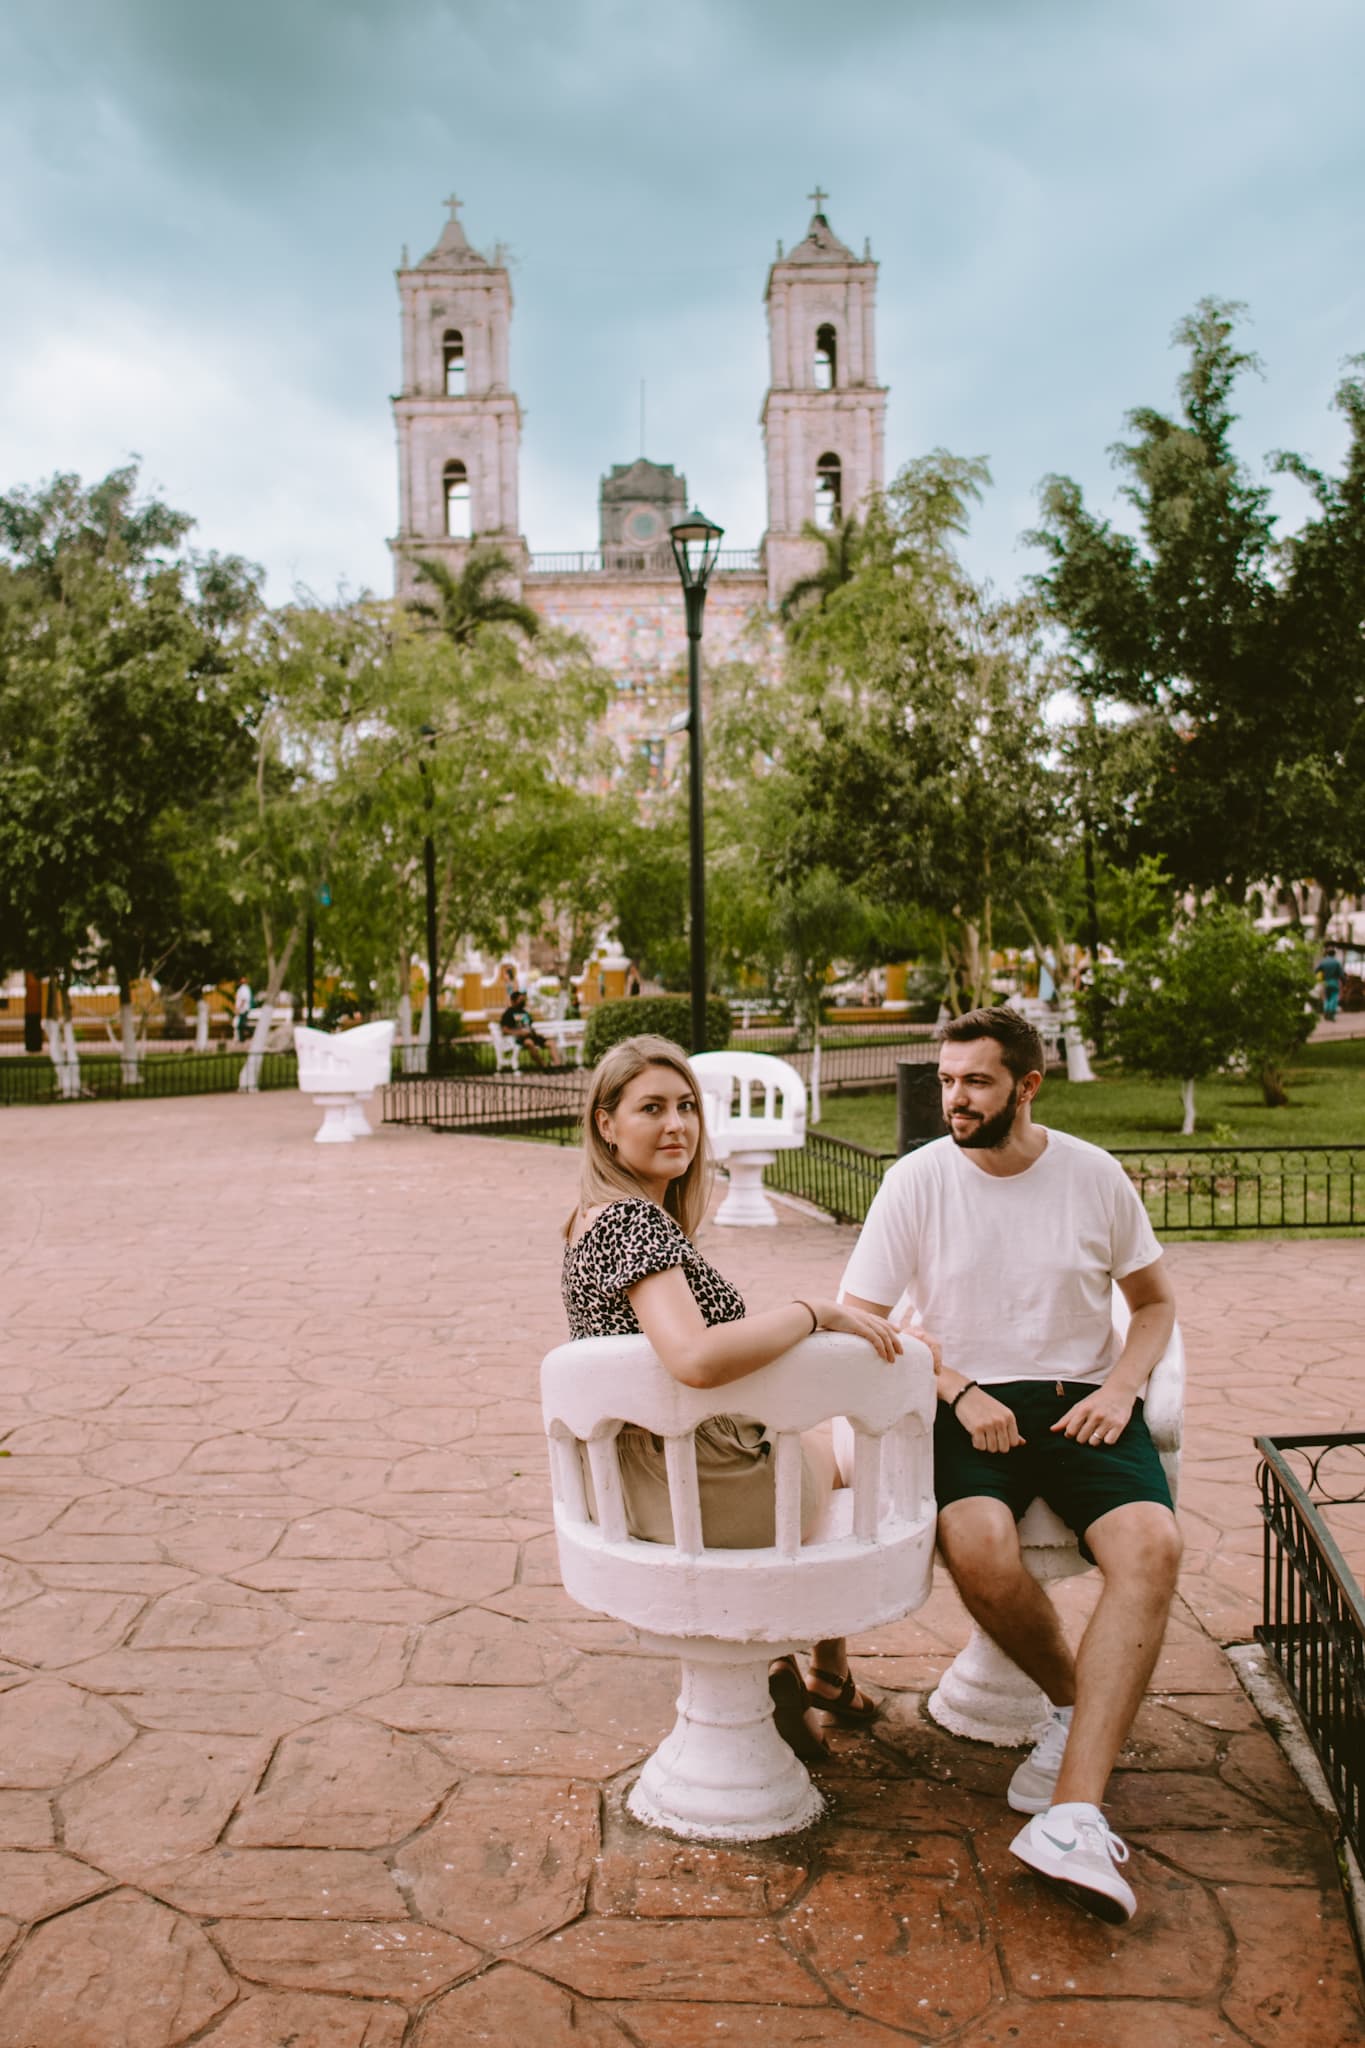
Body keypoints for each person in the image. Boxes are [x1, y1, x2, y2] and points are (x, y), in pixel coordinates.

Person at [841, 1006, 1180, 1924]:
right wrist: (954, 1388)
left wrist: (1118, 1390)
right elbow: (862, 1316)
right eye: (947, 1080)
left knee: (1151, 1544)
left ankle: (1070, 1814)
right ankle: (1080, 1705)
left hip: (1079, 1399)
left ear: (1027, 1085)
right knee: (976, 1541)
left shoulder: (1093, 1175)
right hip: (967, 1403)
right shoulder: (915, 1181)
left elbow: (1152, 1305)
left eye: (976, 1082)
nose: (954, 1098)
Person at [562, 1034, 901, 1756]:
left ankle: (806, 1667)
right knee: (841, 1444)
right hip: (699, 1487)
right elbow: (695, 1359)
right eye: (650, 1108)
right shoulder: (630, 1222)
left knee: (805, 1438)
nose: (676, 1124)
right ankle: (824, 1668)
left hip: (649, 1479)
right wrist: (815, 1312)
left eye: (686, 1106)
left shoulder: (594, 1220)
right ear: (604, 1123)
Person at [500, 989, 555, 1070]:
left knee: (551, 1043)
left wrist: (534, 1033)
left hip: (532, 1035)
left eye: (523, 999)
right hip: (519, 1039)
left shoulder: (525, 1013)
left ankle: (558, 1065)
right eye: (520, 1000)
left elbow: (529, 1026)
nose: (523, 1001)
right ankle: (544, 1066)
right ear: (513, 1001)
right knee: (529, 1042)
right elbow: (505, 1030)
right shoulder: (508, 1013)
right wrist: (519, 1032)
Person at [1316, 944, 1344, 1021]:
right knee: (1334, 997)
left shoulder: (1323, 962)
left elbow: (1316, 970)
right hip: (1334, 982)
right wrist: (1344, 981)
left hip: (1325, 982)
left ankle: (1326, 1011)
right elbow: (1341, 974)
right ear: (1334, 954)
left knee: (1326, 998)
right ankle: (1331, 1013)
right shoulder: (1336, 963)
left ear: (1327, 953)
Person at [233, 978, 253, 1044]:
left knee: (241, 1024)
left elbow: (243, 999)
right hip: (242, 1009)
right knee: (241, 1024)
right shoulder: (243, 989)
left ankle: (252, 1033)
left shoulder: (244, 989)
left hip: (243, 1009)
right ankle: (242, 1039)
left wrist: (238, 1008)